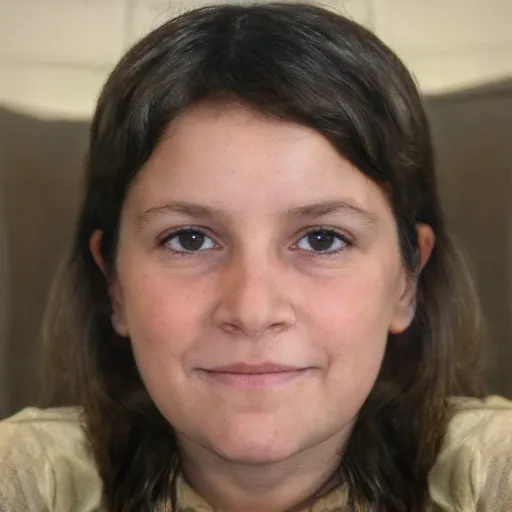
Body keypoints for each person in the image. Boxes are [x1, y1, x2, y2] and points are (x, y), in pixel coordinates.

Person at [1, 2, 511, 511]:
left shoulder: (490, 469)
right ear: (114, 285)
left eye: (322, 239)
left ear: (407, 280)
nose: (252, 310)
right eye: (189, 239)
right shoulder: (28, 477)